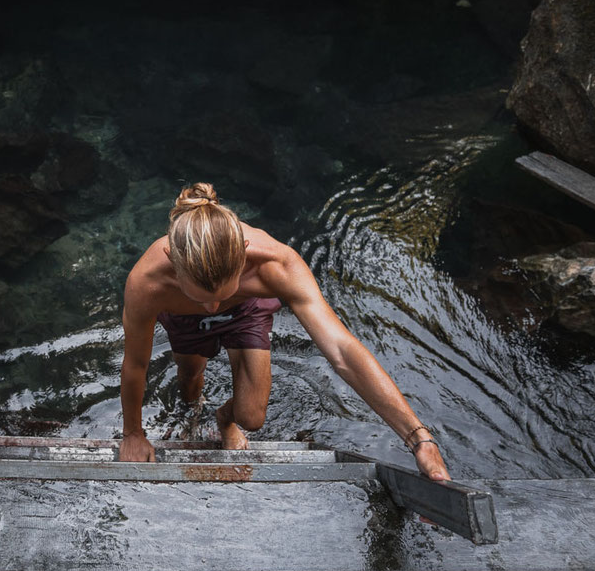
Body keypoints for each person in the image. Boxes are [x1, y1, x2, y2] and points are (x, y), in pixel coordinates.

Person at [118, 182, 450, 482]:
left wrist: (418, 438)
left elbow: (342, 351)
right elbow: (136, 364)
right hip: (181, 317)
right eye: (203, 298)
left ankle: (225, 419)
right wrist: (133, 432)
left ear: (244, 252)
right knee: (189, 377)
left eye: (223, 294)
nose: (213, 309)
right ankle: (191, 410)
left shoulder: (275, 265)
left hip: (246, 310)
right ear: (171, 260)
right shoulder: (147, 282)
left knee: (252, 415)